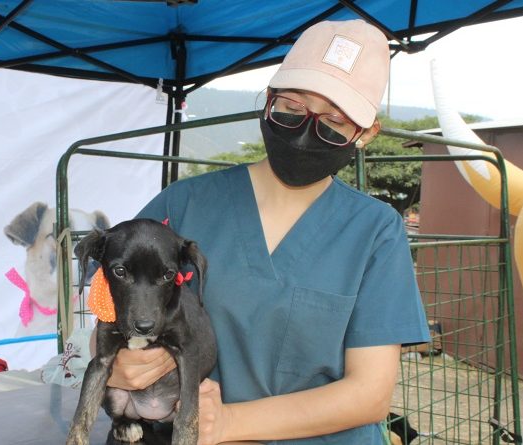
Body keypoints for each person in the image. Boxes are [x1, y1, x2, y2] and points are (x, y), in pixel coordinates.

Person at [103, 19, 430, 444]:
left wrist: (229, 424)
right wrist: (113, 358)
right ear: (268, 99)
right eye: (292, 108)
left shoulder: (375, 231)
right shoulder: (182, 205)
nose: (306, 132)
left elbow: (369, 394)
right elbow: (107, 308)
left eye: (334, 121)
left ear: (365, 135)